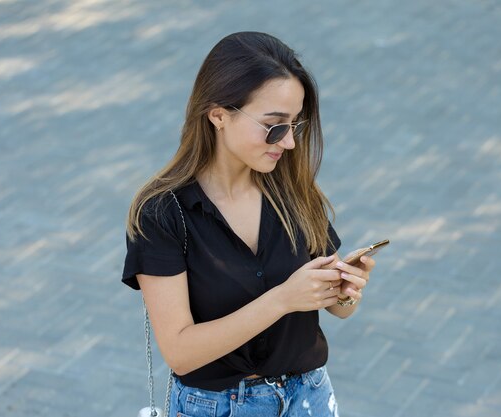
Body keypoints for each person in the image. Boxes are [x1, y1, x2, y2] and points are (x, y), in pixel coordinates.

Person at [122, 31, 376, 417]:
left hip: (308, 397)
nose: (289, 142)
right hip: (216, 407)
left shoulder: (292, 190)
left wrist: (345, 290)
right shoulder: (162, 213)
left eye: (295, 124)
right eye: (275, 125)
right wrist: (283, 299)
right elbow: (181, 353)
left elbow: (340, 309)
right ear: (218, 115)